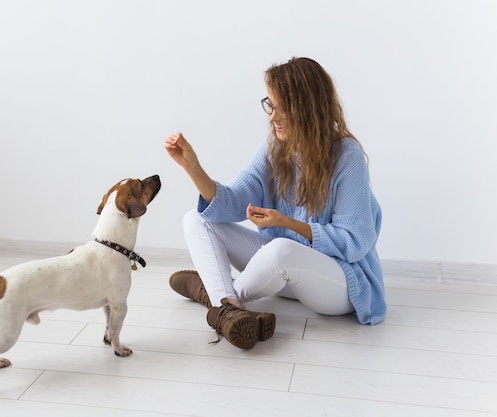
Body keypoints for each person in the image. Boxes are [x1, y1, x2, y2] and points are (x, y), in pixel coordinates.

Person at [163, 56, 386, 350]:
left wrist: (285, 223)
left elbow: (354, 242)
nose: (271, 116)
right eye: (270, 104)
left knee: (282, 249)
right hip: (285, 272)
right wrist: (192, 167)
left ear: (306, 108)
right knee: (196, 219)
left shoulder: (347, 156)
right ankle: (228, 307)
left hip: (341, 280)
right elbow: (233, 200)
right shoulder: (275, 147)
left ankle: (214, 296)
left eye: (280, 107)